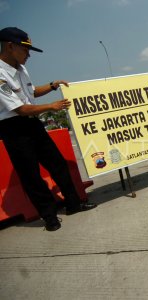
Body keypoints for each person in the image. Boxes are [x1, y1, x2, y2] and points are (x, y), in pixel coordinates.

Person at [0, 27, 97, 231]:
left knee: (57, 163)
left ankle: (73, 204)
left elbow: (32, 92)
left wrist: (53, 85)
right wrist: (52, 106)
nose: (29, 54)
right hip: (14, 128)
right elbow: (20, 108)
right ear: (10, 46)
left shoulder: (20, 68)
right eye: (25, 49)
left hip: (33, 123)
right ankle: (49, 216)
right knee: (31, 175)